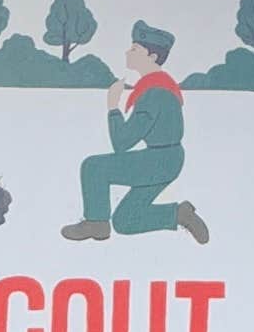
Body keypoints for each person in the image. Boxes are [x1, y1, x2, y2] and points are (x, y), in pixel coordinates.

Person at [67, 20, 207, 243]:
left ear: (151, 56)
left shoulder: (154, 92)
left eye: (135, 49)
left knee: (93, 167)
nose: (128, 52)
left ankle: (97, 223)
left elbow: (122, 143)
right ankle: (179, 214)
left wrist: (113, 106)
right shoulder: (157, 85)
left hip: (158, 161)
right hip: (167, 159)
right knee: (125, 221)